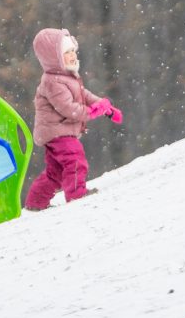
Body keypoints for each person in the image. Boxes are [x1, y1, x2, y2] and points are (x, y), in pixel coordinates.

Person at [24, 28, 122, 211]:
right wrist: (92, 112)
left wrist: (102, 105)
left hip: (59, 131)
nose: (72, 56)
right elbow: (68, 108)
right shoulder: (52, 82)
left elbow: (83, 94)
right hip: (57, 132)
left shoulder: (67, 77)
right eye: (66, 53)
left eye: (72, 51)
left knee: (56, 172)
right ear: (54, 58)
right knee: (76, 160)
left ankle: (35, 203)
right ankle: (76, 195)